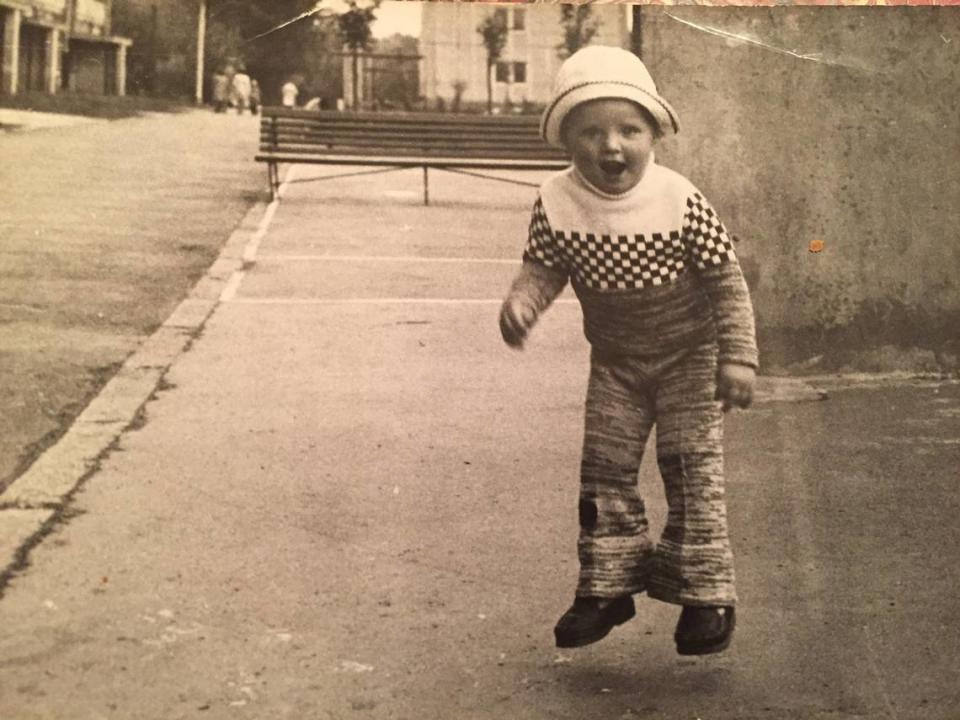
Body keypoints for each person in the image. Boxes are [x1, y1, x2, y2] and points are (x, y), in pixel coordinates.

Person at [498, 46, 758, 656]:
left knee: (690, 465)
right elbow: (542, 267)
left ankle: (704, 595)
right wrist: (521, 305)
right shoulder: (557, 201)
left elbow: (726, 279)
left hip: (690, 357)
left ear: (654, 133)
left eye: (629, 130)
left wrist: (738, 356)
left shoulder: (678, 198)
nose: (611, 146)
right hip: (616, 364)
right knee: (605, 469)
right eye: (591, 131)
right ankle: (607, 585)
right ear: (565, 138)